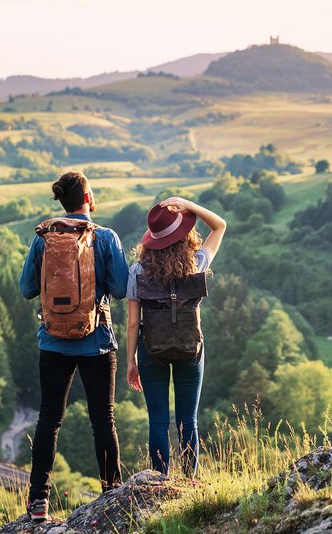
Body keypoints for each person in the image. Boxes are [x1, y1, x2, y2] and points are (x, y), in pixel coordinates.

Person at [18, 171, 129, 520]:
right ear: (87, 196)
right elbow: (123, 288)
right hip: (96, 340)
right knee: (103, 421)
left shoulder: (43, 239)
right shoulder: (105, 237)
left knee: (49, 420)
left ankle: (38, 502)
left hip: (53, 342)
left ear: (62, 200)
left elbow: (26, 289)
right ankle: (112, 493)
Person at [125, 196, 226, 476]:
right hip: (190, 349)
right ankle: (191, 480)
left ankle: (160, 480)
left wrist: (131, 361)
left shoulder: (138, 270)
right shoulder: (197, 262)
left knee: (158, 422)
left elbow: (133, 323)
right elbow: (220, 226)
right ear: (184, 235)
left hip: (151, 350)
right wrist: (189, 205)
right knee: (188, 420)